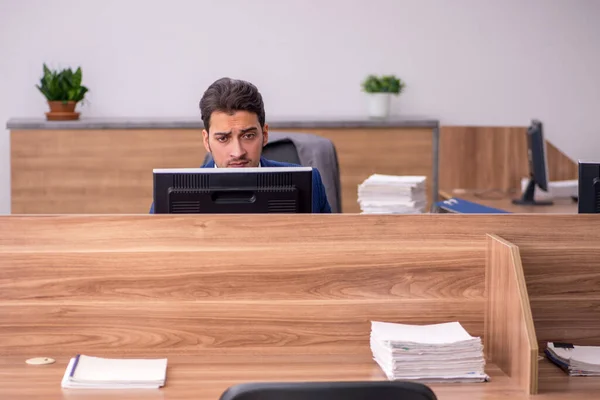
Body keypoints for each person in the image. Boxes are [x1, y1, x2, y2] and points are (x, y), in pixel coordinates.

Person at [150, 77, 331, 213]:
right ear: (207, 141)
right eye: (223, 139)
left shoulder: (311, 183)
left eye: (248, 136)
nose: (237, 152)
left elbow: (330, 249)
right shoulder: (170, 194)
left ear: (265, 134)